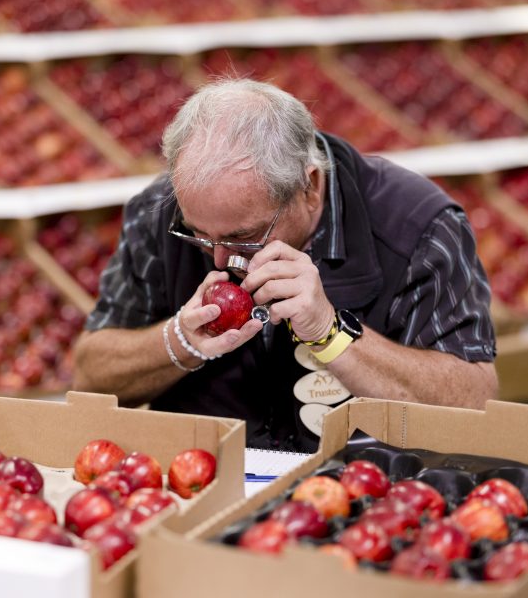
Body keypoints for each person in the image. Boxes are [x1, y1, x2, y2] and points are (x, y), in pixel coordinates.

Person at [72, 78, 498, 452]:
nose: (221, 259)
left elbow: (477, 403)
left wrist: (331, 333)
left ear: (309, 187)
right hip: (202, 483)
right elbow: (90, 378)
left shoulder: (416, 226)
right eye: (199, 235)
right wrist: (178, 340)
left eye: (244, 236)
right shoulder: (158, 212)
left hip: (361, 494)